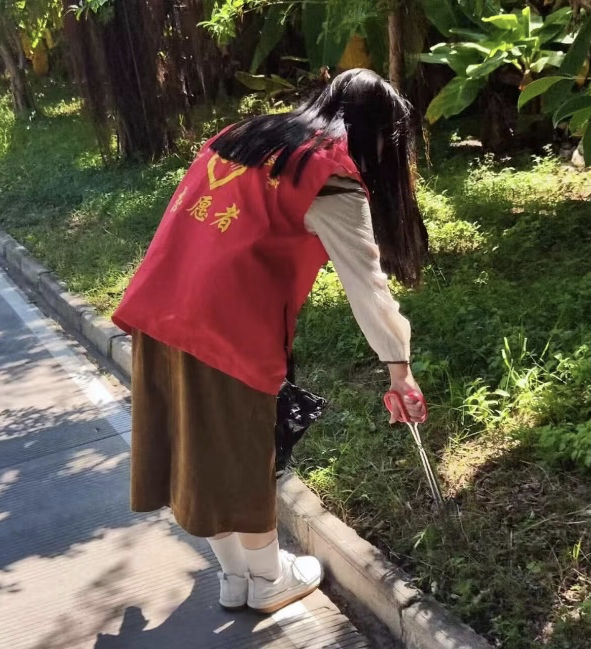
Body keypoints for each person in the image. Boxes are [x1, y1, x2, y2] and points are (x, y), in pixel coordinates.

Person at [112, 68, 428, 615]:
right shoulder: (328, 175)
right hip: (227, 328)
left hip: (161, 307)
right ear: (379, 135)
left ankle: (236, 577)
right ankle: (267, 579)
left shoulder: (247, 136)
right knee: (242, 454)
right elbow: (368, 287)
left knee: (196, 451)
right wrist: (399, 367)